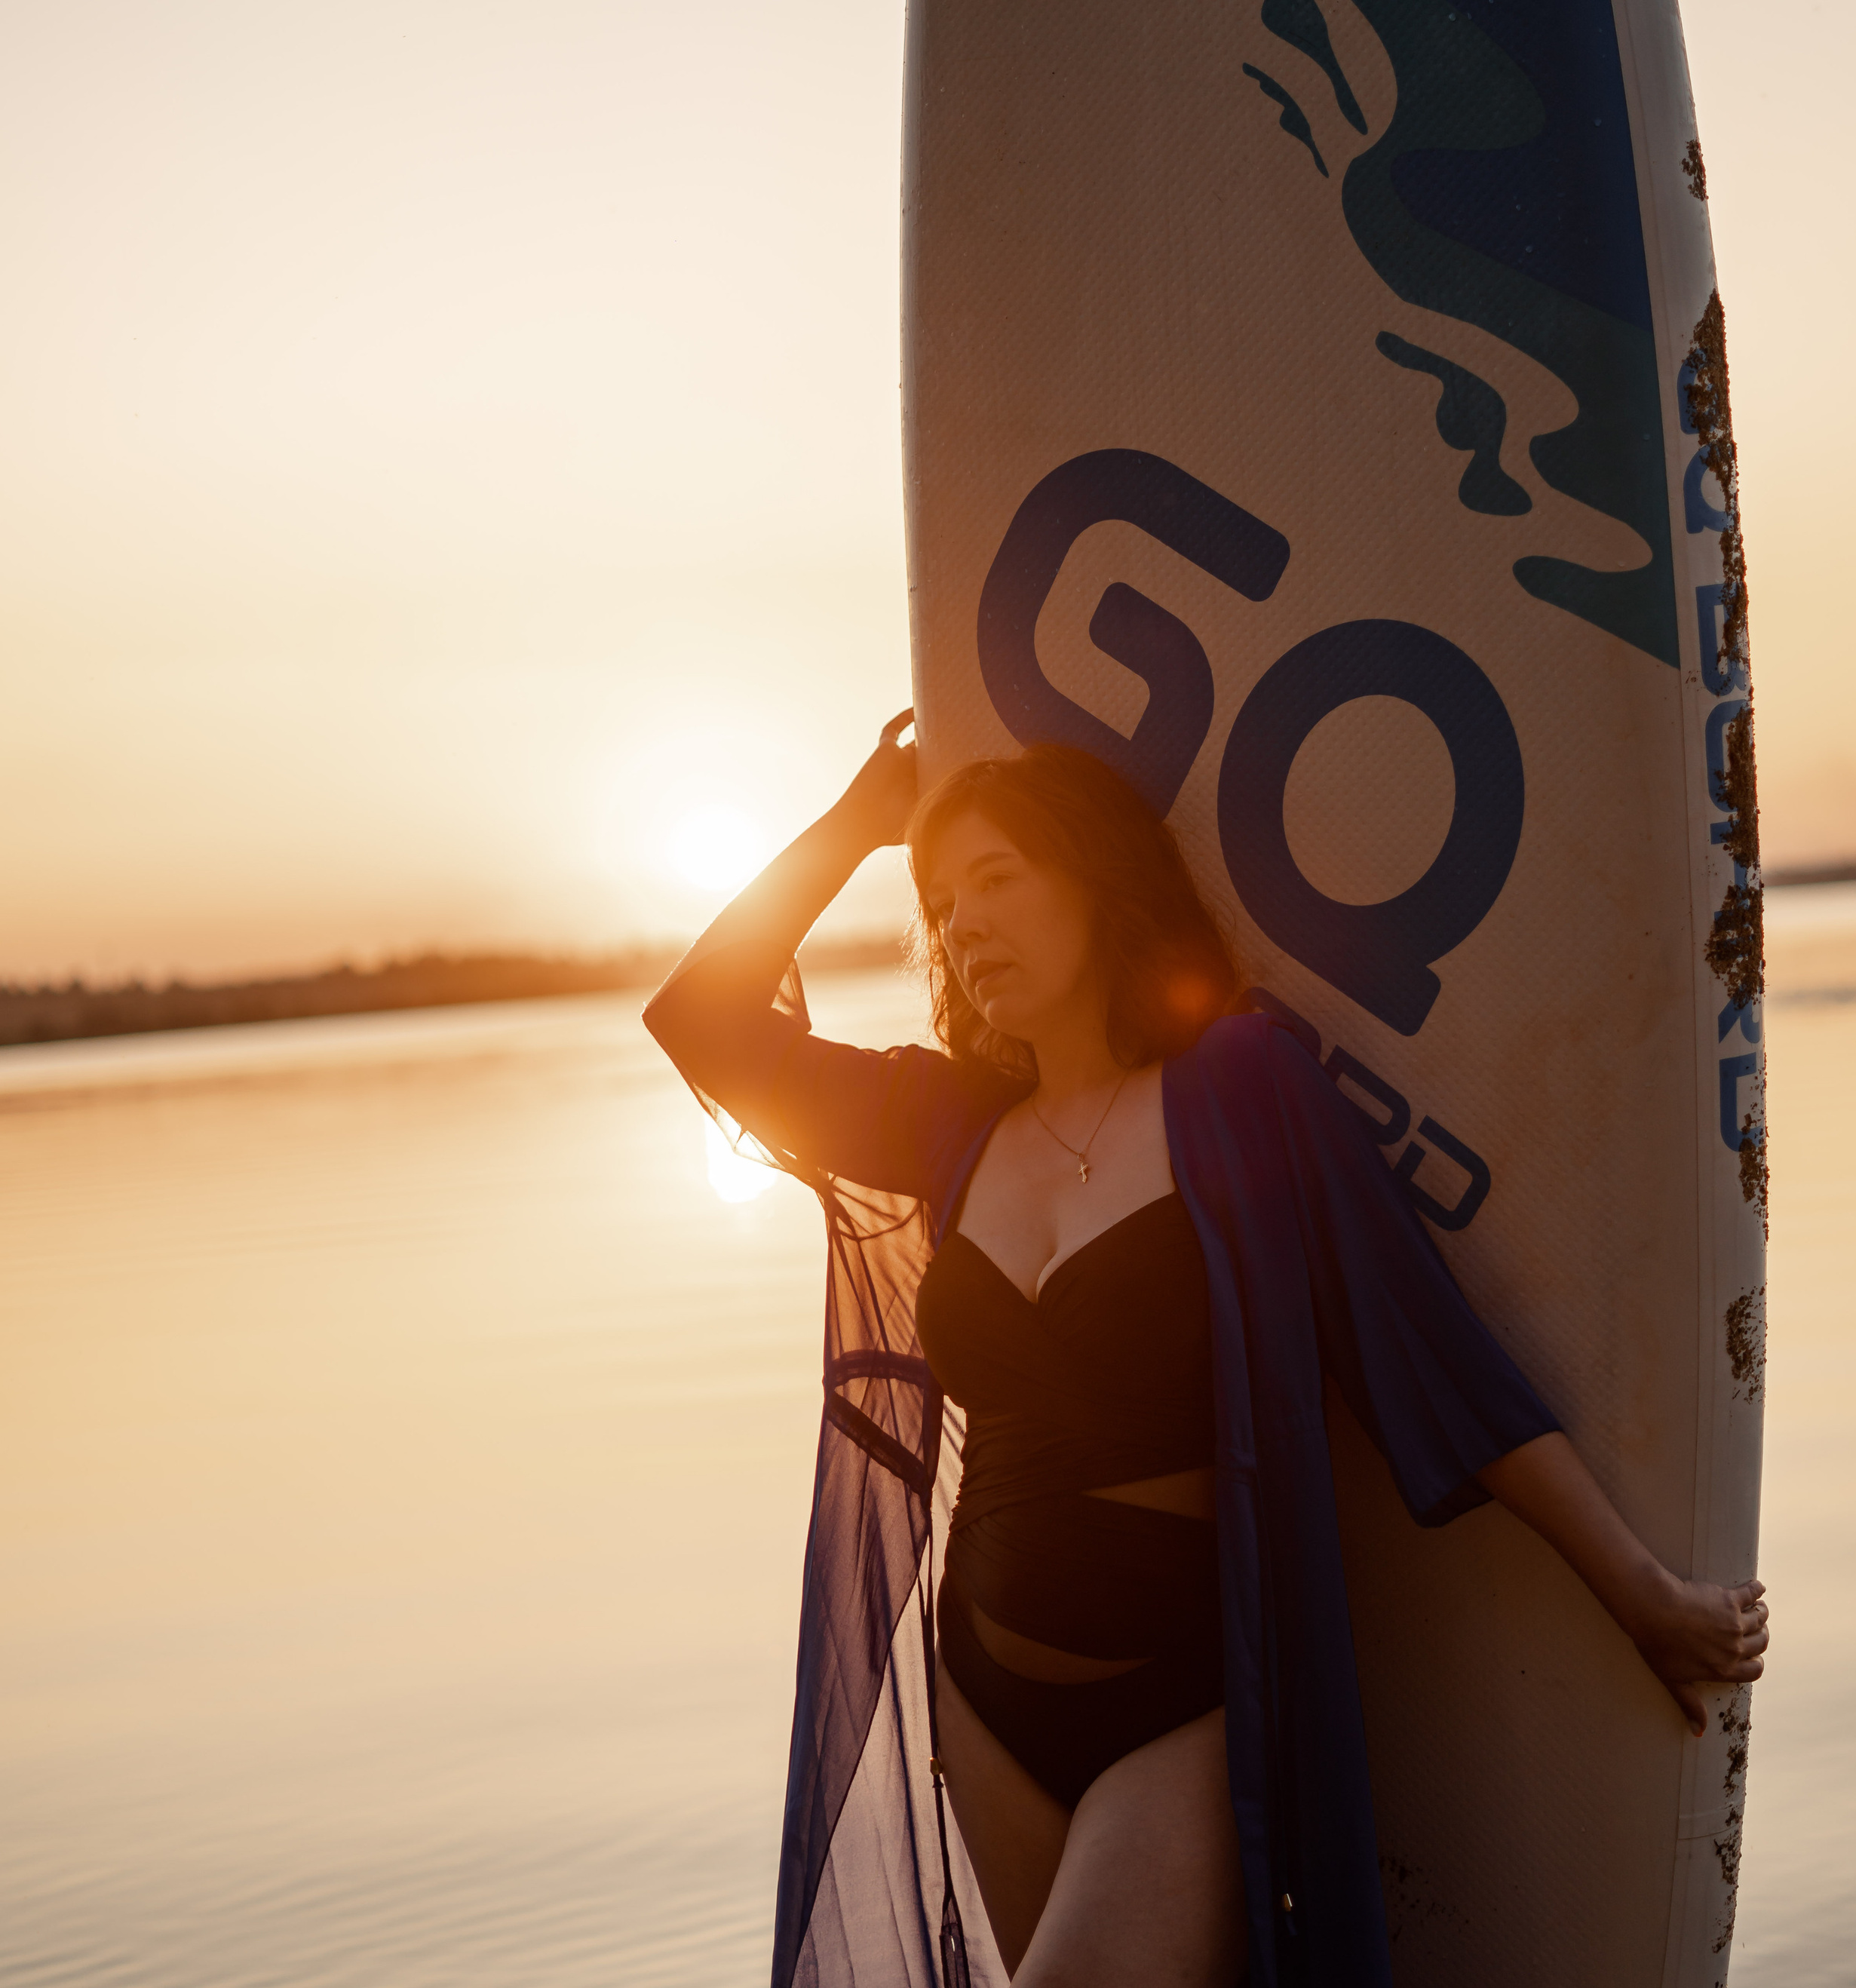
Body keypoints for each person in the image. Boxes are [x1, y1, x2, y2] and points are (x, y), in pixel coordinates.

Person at [645, 716, 1768, 1988]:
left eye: (998, 880)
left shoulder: (1240, 1087)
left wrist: (1641, 1594)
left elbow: (1427, 1351)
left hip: (1186, 1692)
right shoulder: (948, 1122)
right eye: (945, 905)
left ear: (1098, 876)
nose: (965, 927)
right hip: (987, 1692)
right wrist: (857, 823)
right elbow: (701, 1021)